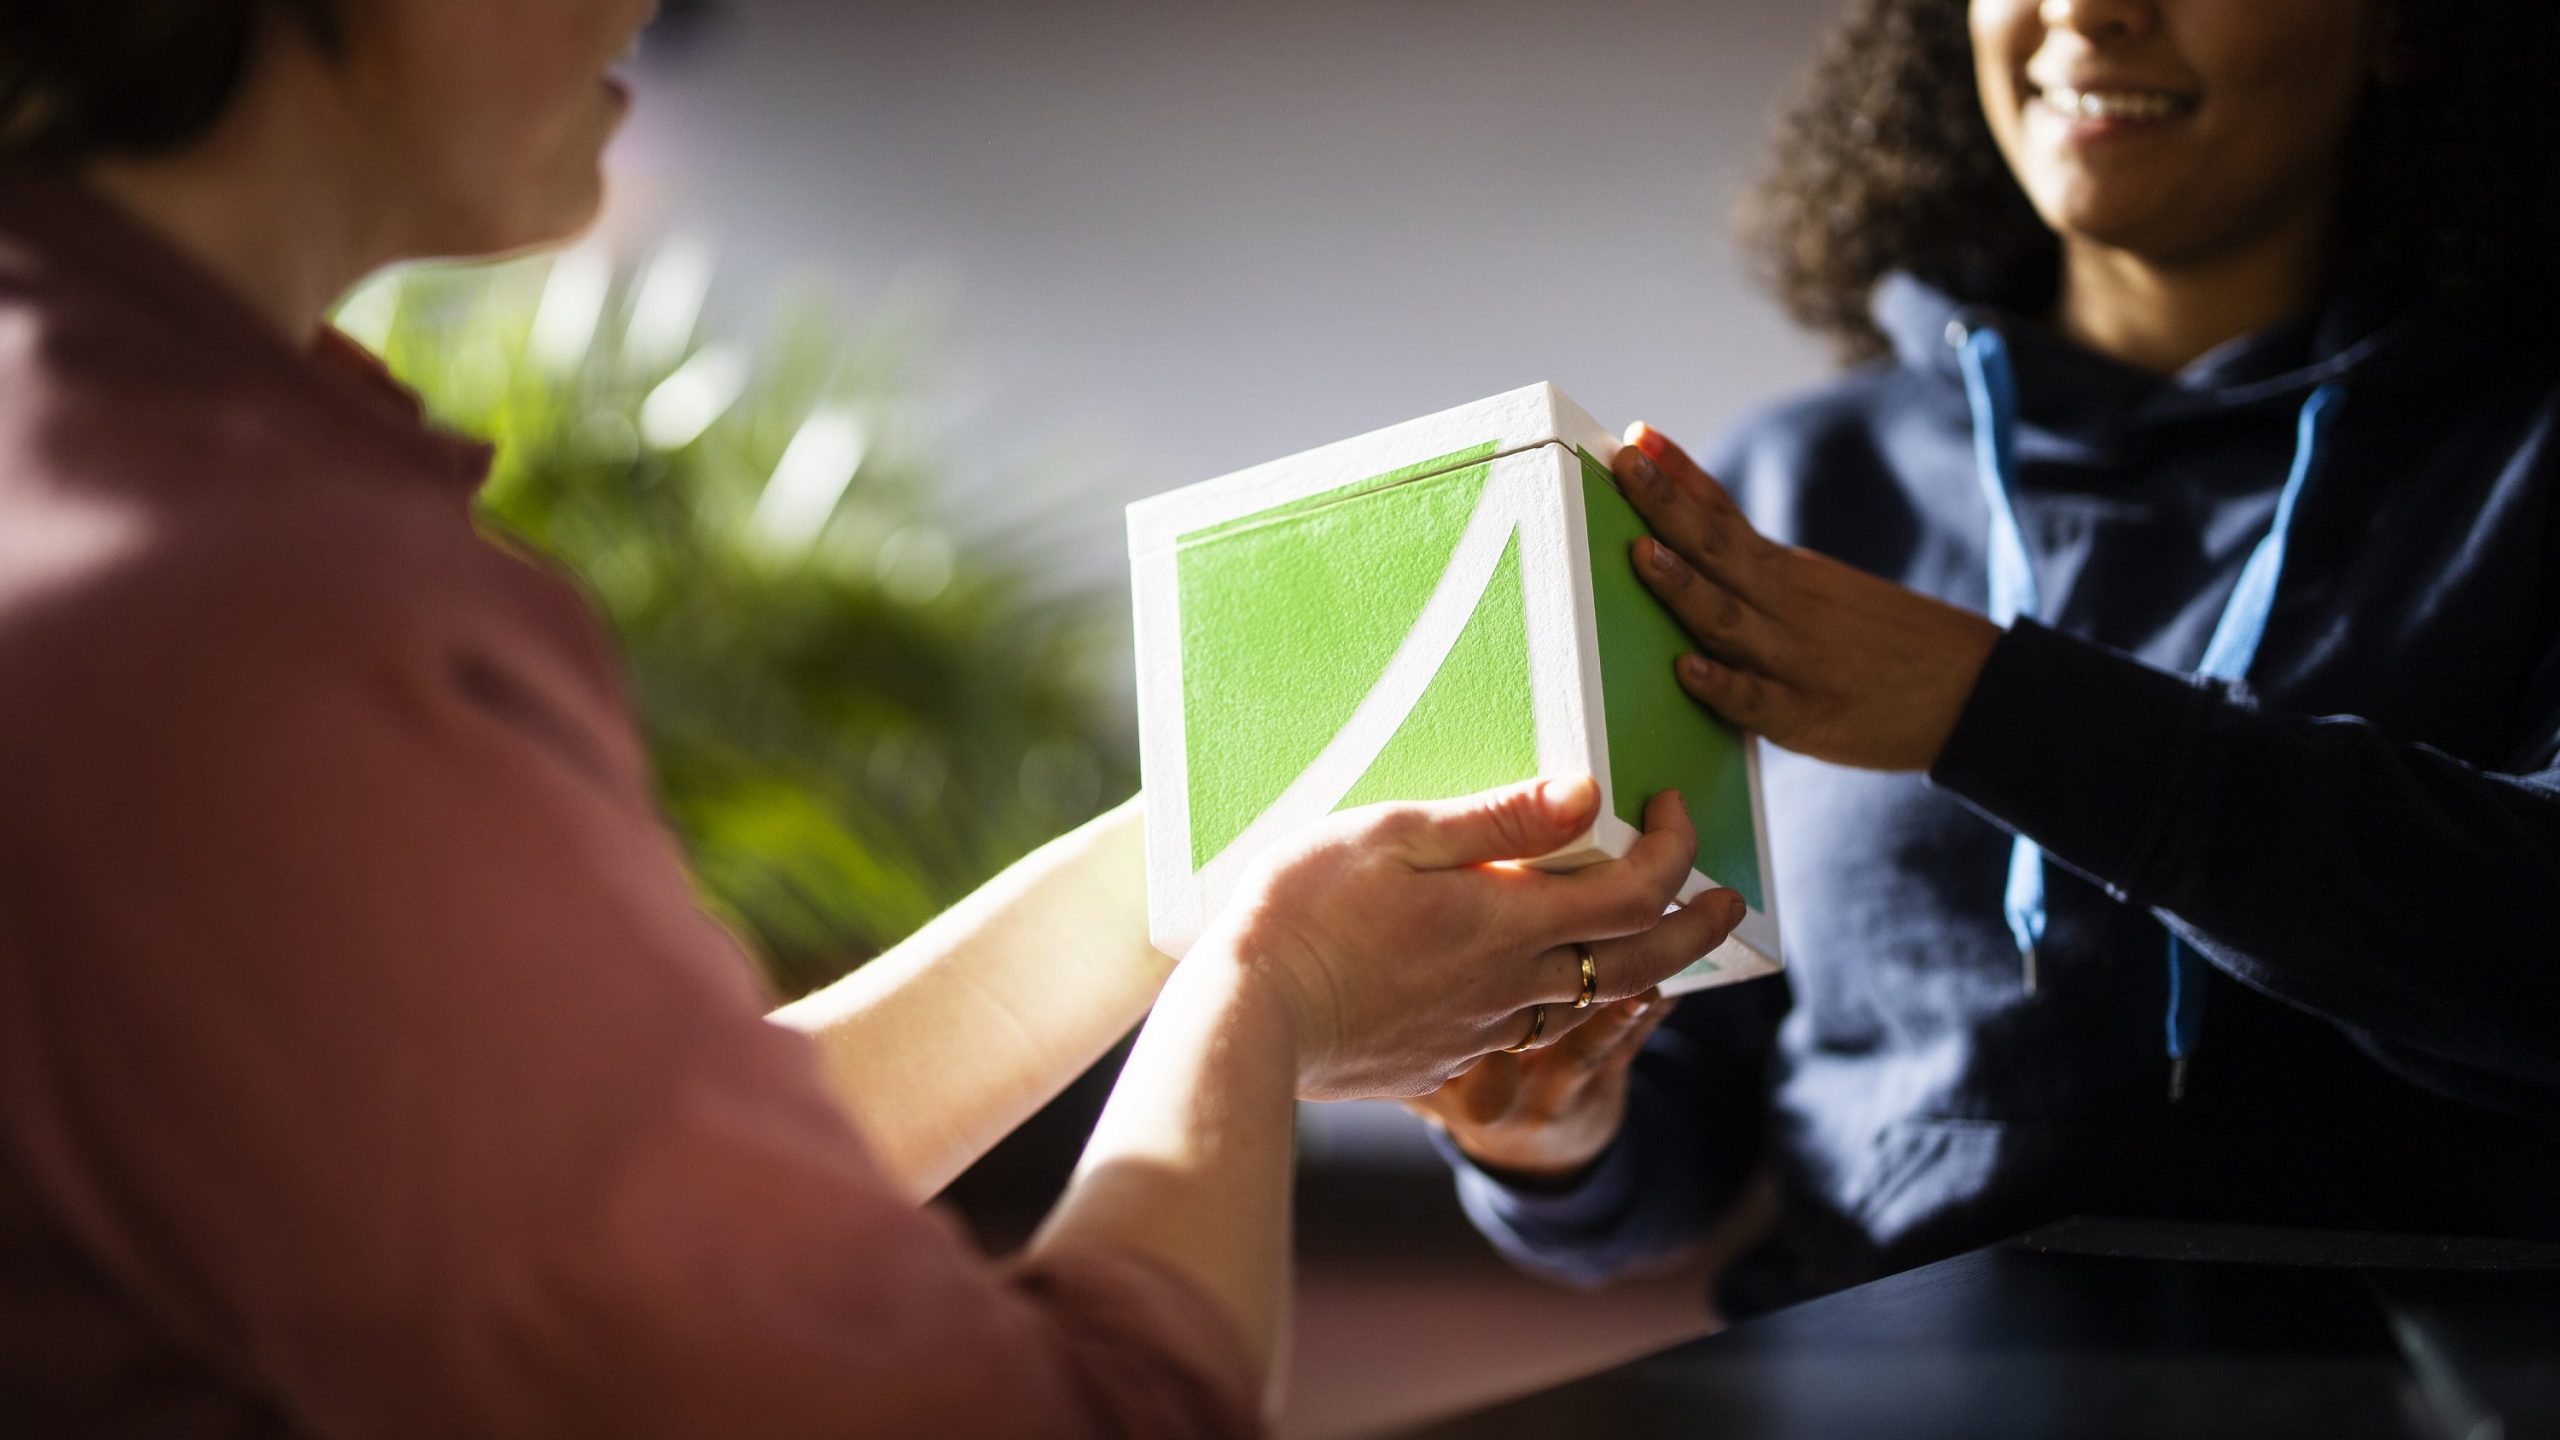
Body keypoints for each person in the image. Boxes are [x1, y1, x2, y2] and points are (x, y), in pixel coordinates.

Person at [0, 3, 1749, 1436]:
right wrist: (1268, 995)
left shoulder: (112, 465)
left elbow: (607, 1167)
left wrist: (1220, 857)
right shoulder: (246, 612)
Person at [1420, 0, 2560, 1317]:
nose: (2085, 9)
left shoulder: (2524, 455)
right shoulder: (1798, 482)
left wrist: (1992, 708)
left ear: (2403, 26)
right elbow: (1682, 1127)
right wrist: (1549, 1136)